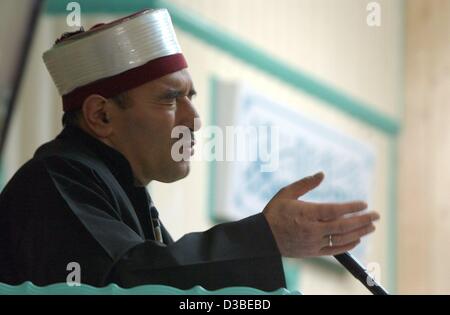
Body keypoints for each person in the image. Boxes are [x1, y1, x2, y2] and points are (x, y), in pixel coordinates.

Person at [0, 9, 379, 290]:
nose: (195, 119)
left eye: (191, 97)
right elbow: (134, 283)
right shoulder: (54, 180)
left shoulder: (120, 187)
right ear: (101, 115)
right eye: (170, 100)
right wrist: (264, 238)